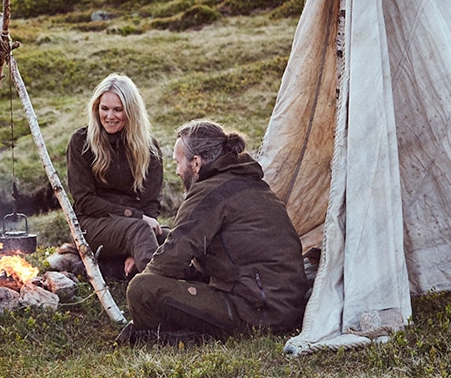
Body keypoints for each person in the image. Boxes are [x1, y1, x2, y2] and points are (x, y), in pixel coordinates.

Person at [121, 119, 310, 344]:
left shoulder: (210, 192)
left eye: (178, 163)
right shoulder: (246, 182)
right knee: (163, 235)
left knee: (142, 289)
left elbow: (171, 258)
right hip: (280, 301)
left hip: (259, 312)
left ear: (196, 163)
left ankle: (175, 338)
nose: (178, 171)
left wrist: (148, 282)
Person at [65, 73, 164, 280]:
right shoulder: (81, 142)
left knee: (173, 237)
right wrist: (135, 218)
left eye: (118, 110)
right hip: (92, 223)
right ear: (96, 108)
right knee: (140, 231)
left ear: (131, 112)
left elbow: (151, 202)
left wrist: (135, 247)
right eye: (104, 108)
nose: (110, 116)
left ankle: (201, 284)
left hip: (134, 226)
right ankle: (157, 290)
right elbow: (84, 201)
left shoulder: (149, 148)